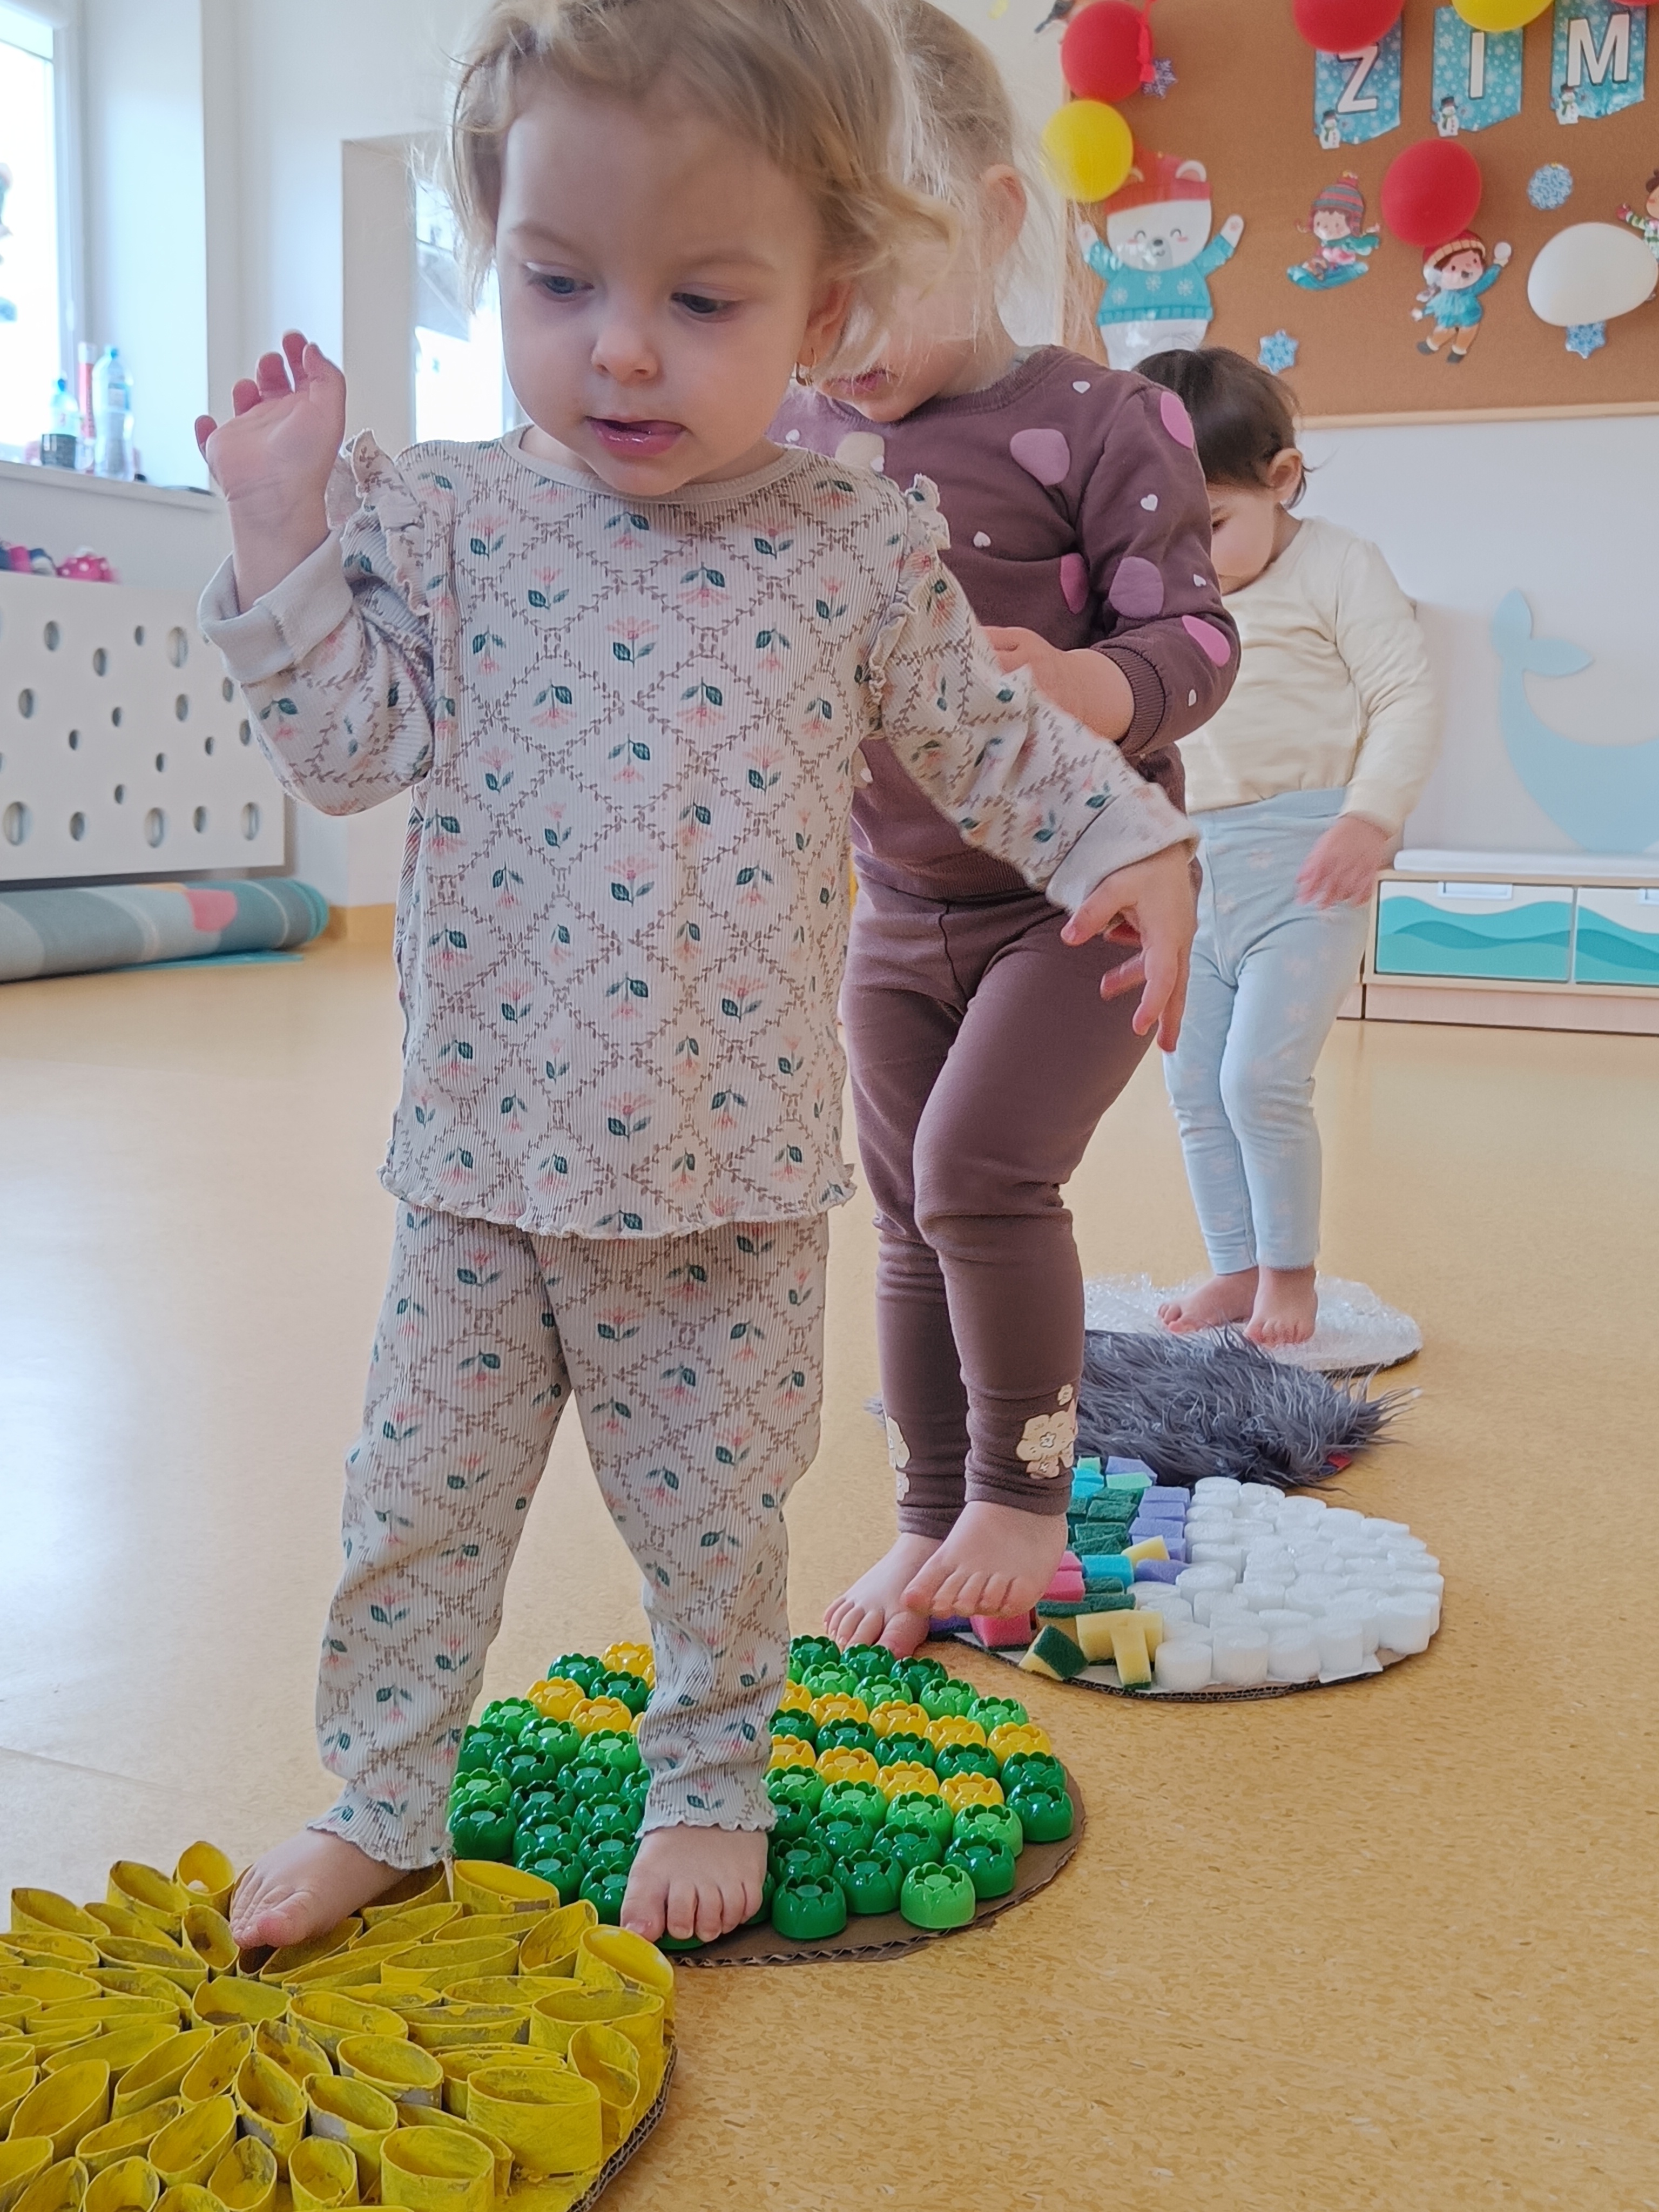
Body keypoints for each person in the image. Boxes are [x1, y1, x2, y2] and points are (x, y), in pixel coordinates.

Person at [195, 0, 1199, 1952]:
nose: (624, 348)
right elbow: (347, 751)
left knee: (716, 1512)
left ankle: (714, 1772)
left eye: (703, 298)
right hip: (480, 1162)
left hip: (722, 1170)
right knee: (413, 1505)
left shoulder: (853, 546)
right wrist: (280, 532)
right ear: (493, 252)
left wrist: (1125, 840)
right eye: (558, 282)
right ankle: (383, 1799)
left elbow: (986, 738)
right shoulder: (453, 520)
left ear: (823, 309)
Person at [773, 0, 1236, 1657]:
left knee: (982, 1174)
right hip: (896, 906)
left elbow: (1195, 640)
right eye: (799, 292)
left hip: (1078, 896)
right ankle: (931, 1515)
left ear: (987, 218)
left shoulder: (1107, 421)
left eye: (870, 284)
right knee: (907, 1212)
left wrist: (1091, 687)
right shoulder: (798, 440)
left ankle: (1022, 1499)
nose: (834, 341)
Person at [1136, 348, 1437, 1348]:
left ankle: (1290, 1273)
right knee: (1192, 1087)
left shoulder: (1337, 565)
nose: (1191, 553)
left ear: (1282, 478)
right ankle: (1234, 1267)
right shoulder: (1164, 588)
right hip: (1190, 869)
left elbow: (1404, 694)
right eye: (1168, 529)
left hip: (1307, 863)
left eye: (1211, 524)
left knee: (1258, 1082)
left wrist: (1370, 817)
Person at [1412, 232, 1512, 363]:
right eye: (1453, 268)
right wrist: (1423, 312)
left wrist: (1497, 265)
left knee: (1466, 333)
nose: (1468, 269)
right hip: (1448, 317)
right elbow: (1435, 304)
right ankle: (1432, 345)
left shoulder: (1471, 289)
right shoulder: (1445, 296)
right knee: (1444, 331)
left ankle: (1459, 351)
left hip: (1469, 315)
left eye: (1475, 261)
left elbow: (1486, 280)